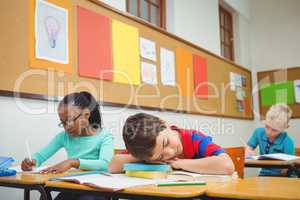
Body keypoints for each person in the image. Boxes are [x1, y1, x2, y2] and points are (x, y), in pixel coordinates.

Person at [21, 91, 113, 200]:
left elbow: (105, 164)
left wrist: (73, 162)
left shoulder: (104, 136)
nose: (67, 127)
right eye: (63, 122)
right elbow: (40, 156)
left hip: (96, 189)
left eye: (70, 121)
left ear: (86, 114)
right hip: (72, 187)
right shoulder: (64, 137)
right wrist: (32, 162)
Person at [109, 113, 234, 175]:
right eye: (161, 157)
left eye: (166, 143)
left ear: (164, 123)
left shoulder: (194, 139)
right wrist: (146, 157)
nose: (170, 153)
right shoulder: (146, 149)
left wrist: (180, 163)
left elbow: (227, 166)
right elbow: (112, 166)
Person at [245, 103, 294, 176]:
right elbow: (247, 149)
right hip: (264, 173)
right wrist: (248, 152)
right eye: (267, 126)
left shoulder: (288, 142)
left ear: (285, 127)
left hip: (282, 176)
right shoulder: (258, 132)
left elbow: (287, 168)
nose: (269, 132)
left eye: (274, 130)